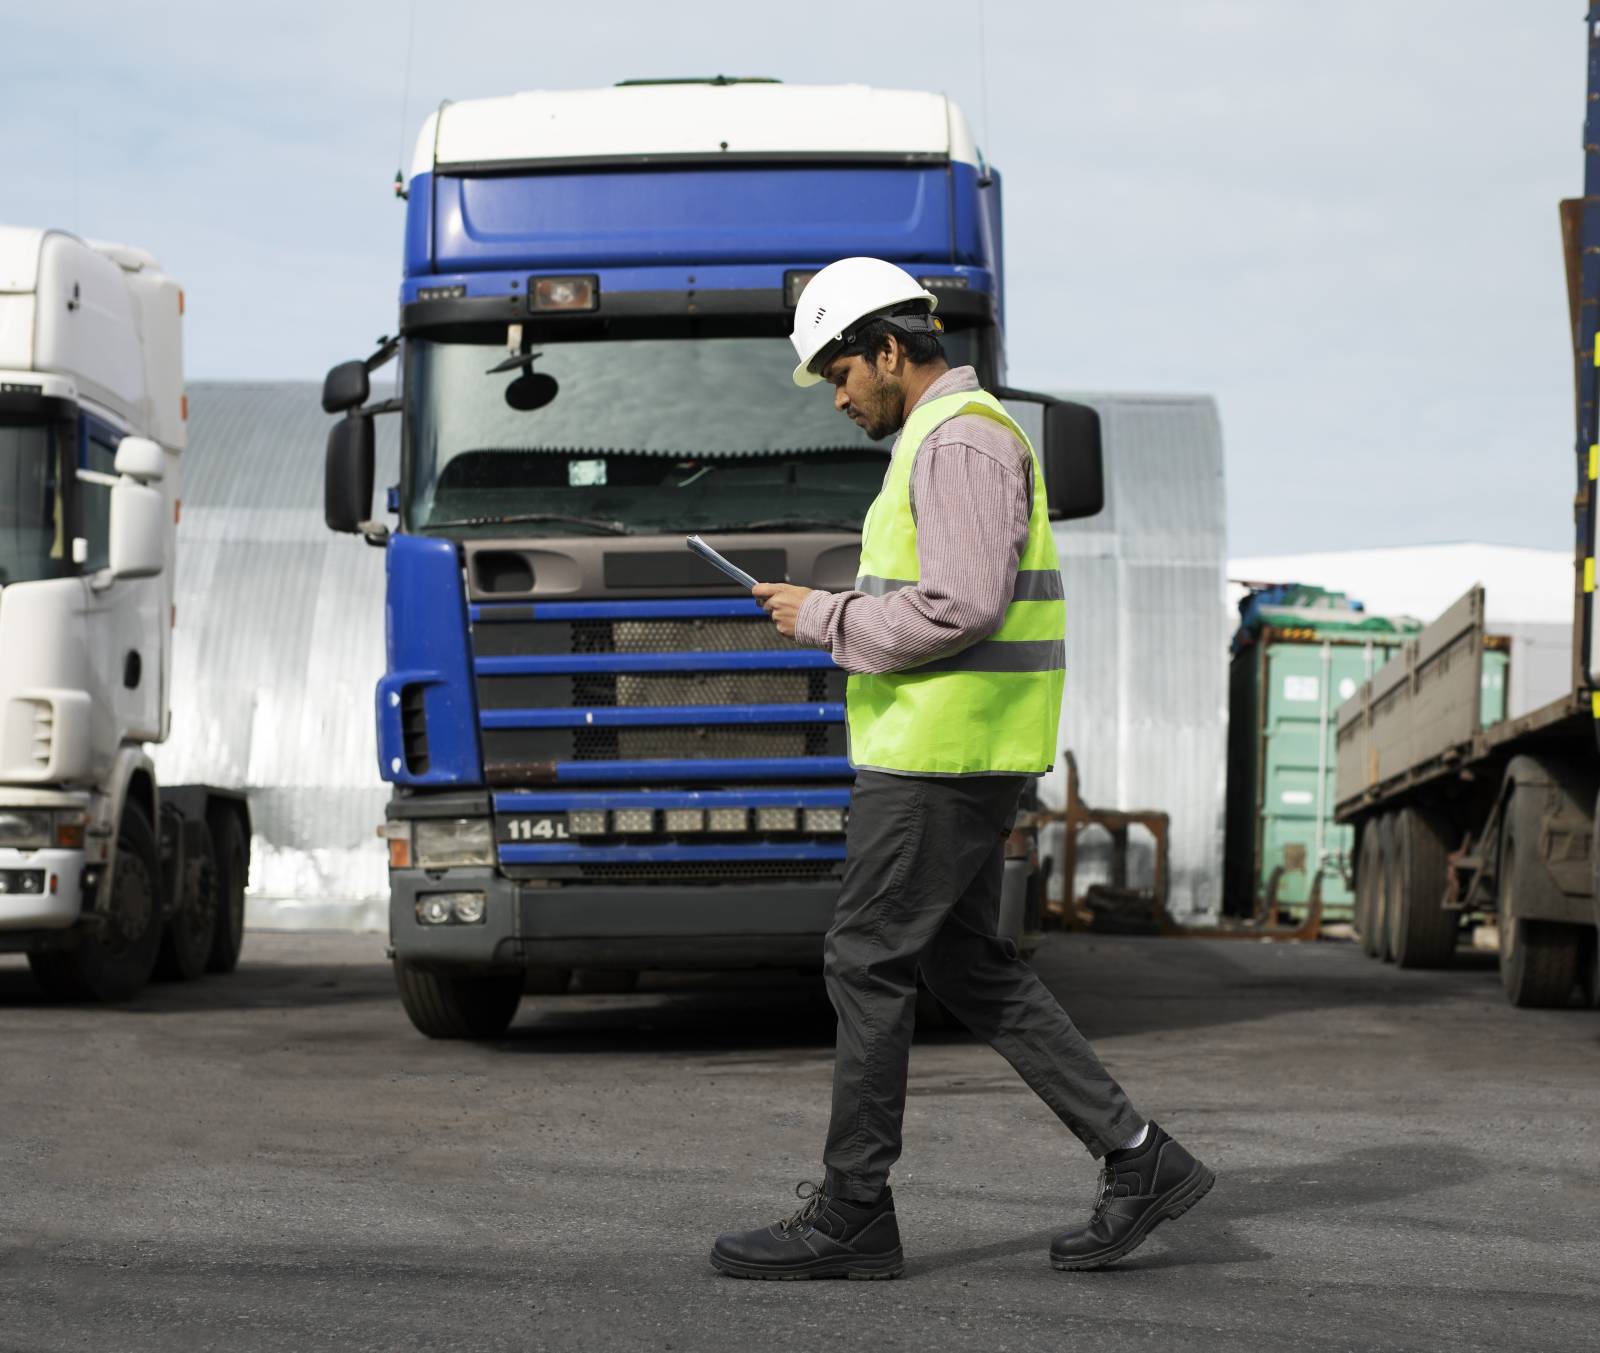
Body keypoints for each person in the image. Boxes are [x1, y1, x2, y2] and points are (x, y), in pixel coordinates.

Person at [709, 258, 1213, 1281]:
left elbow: (963, 605)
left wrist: (826, 617)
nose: (836, 393)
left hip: (942, 759)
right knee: (961, 963)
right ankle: (1137, 1156)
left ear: (889, 350)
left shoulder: (960, 440)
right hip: (954, 748)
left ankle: (853, 1211)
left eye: (840, 370)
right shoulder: (948, 442)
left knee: (864, 959)